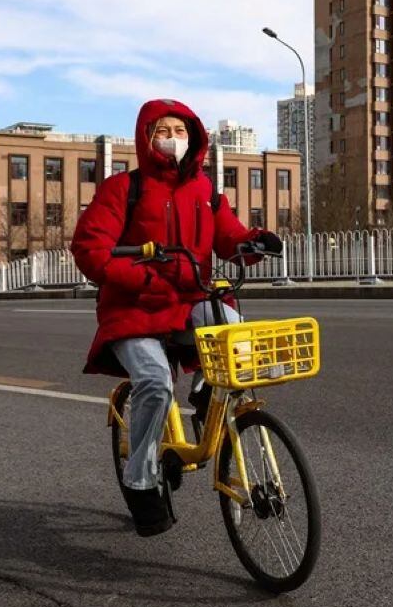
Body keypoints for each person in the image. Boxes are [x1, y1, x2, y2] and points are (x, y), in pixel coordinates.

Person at [71, 98, 281, 537]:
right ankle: (141, 477)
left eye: (181, 131)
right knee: (153, 381)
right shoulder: (121, 189)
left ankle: (208, 392)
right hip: (134, 306)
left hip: (188, 298)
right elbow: (90, 249)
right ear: (147, 138)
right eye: (163, 130)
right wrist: (140, 277)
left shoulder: (204, 190)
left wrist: (255, 242)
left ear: (195, 138)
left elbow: (229, 238)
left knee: (228, 321)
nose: (172, 139)